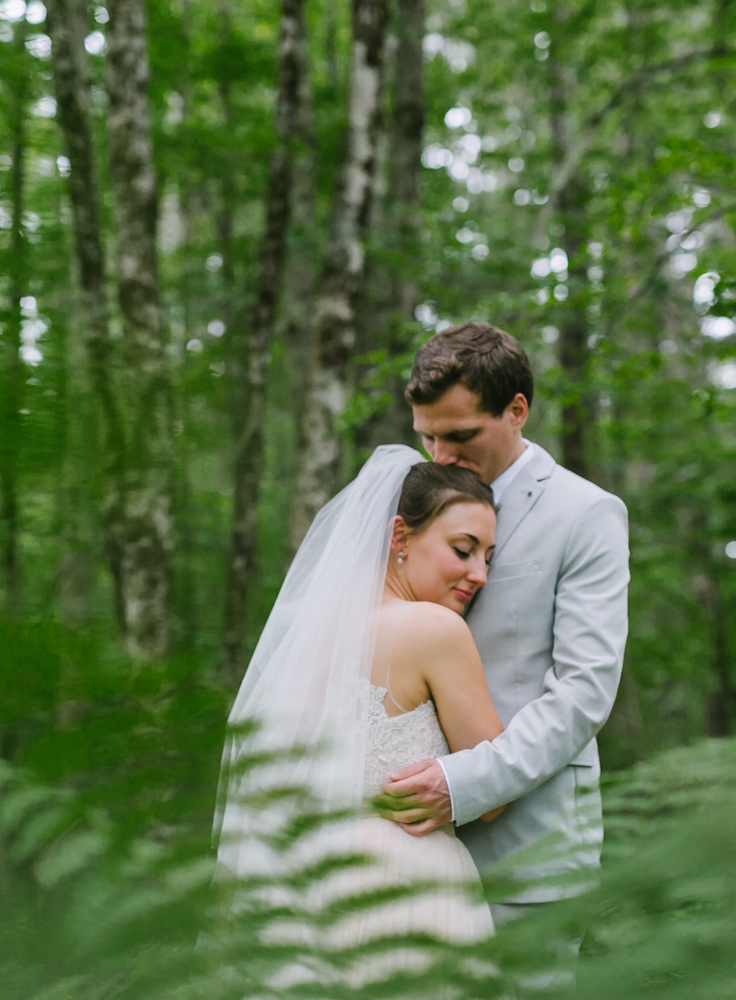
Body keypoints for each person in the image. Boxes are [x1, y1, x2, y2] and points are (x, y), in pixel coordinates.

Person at [215, 450, 510, 990]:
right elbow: (496, 793)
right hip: (402, 891)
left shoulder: (307, 633)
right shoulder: (435, 629)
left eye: (488, 556)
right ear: (400, 537)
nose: (480, 574)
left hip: (301, 885)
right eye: (463, 550)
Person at [378, 321, 630, 946]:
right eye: (428, 436)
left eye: (460, 436)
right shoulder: (408, 498)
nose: (440, 456)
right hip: (399, 857)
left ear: (517, 411)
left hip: (526, 852)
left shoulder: (585, 514)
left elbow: (582, 695)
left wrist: (462, 785)